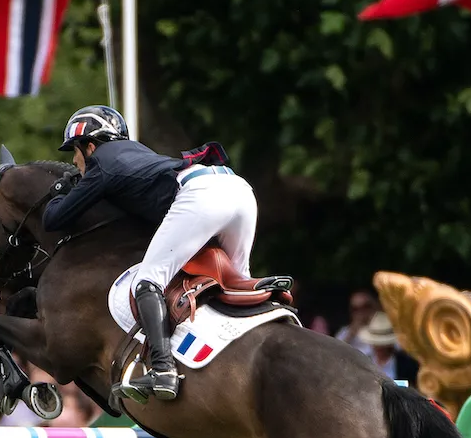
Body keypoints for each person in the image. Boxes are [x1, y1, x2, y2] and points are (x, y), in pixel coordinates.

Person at [42, 105, 287, 402]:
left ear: (90, 146)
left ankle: (163, 369)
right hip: (237, 188)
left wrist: (60, 189)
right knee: (236, 284)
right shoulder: (133, 153)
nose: (74, 161)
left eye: (75, 151)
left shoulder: (101, 164)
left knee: (147, 281)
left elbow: (53, 219)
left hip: (202, 194)